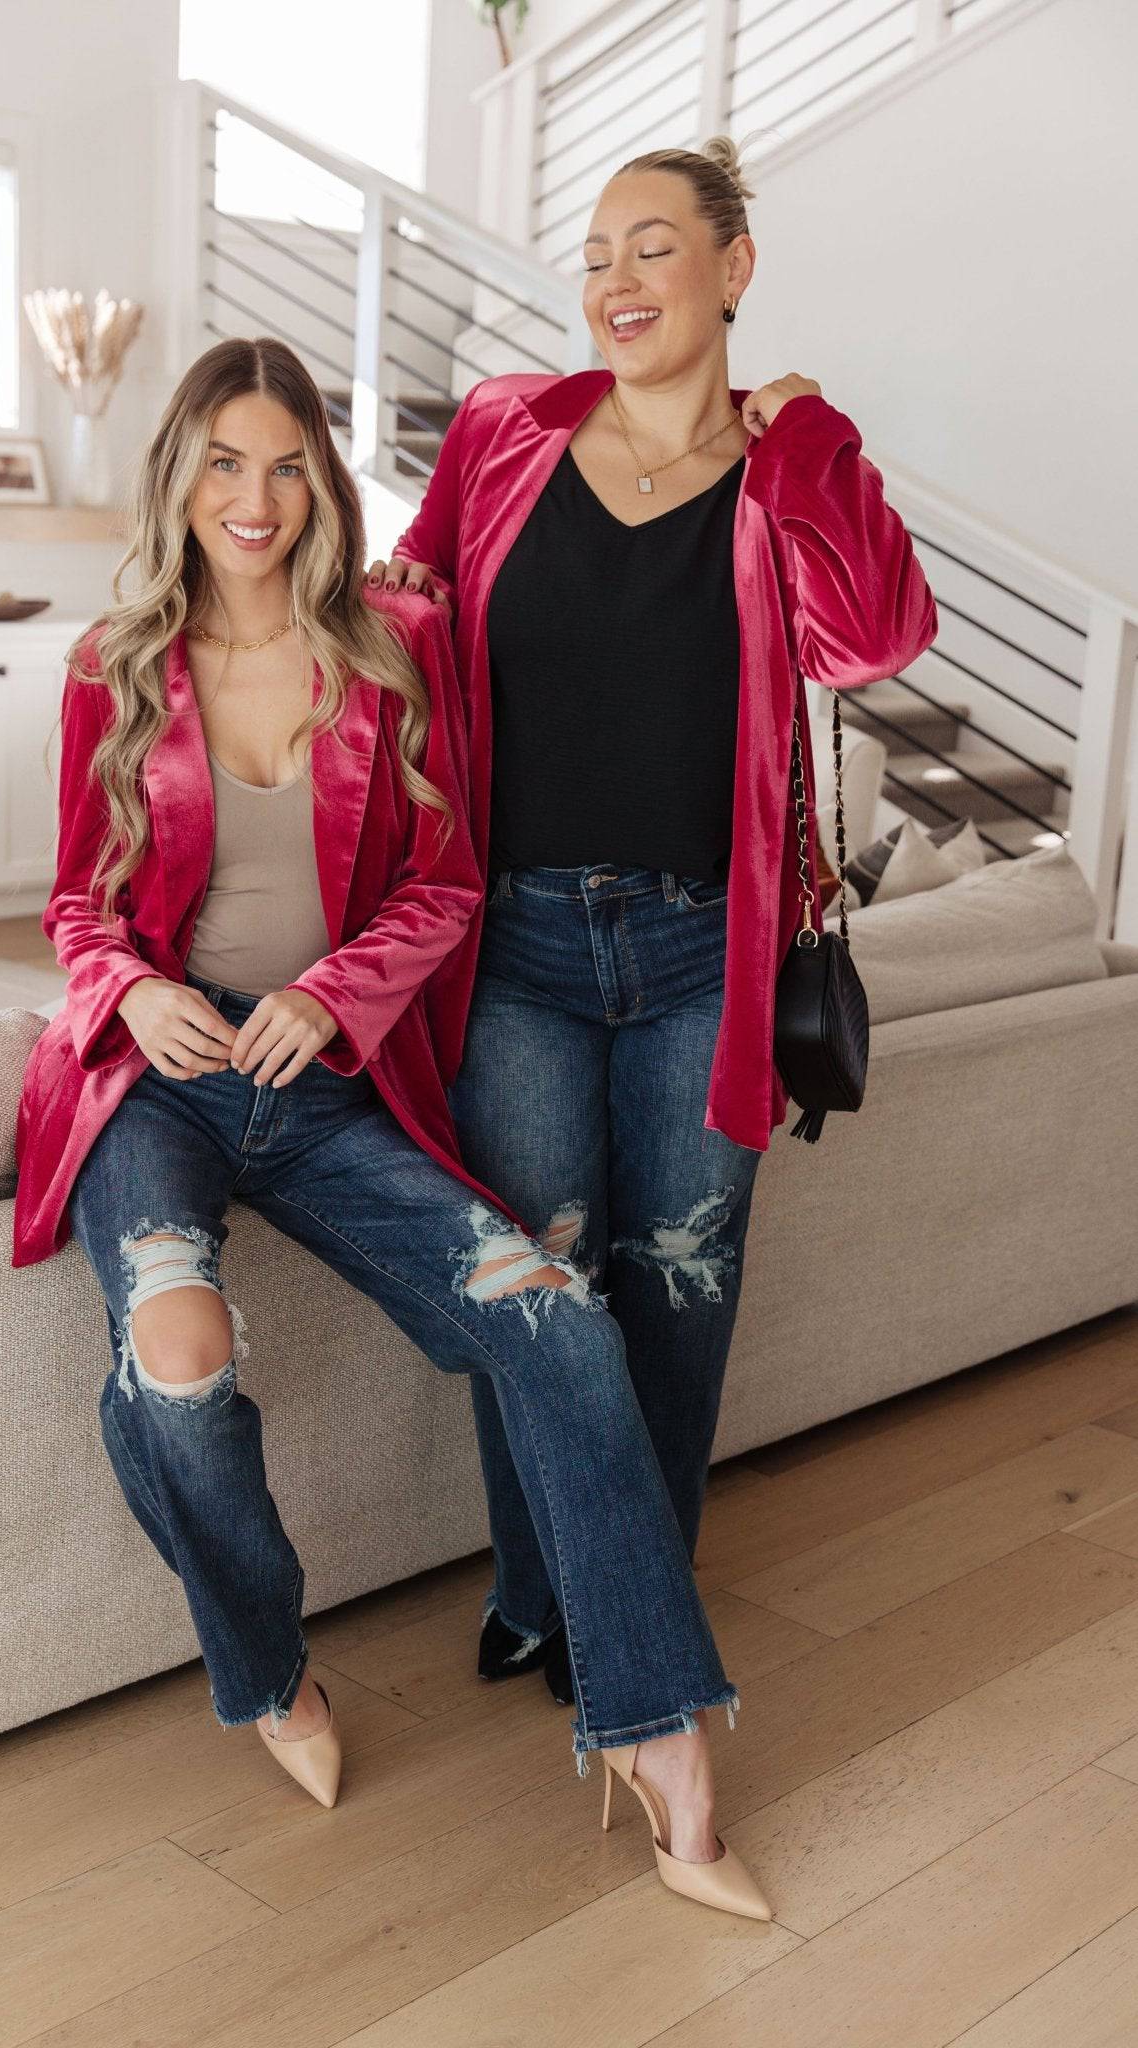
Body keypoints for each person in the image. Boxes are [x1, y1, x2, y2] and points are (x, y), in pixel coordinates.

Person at [10, 334, 774, 1919]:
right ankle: (268, 1665)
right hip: (154, 1083)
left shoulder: (388, 647)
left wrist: (332, 996)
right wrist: (129, 990)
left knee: (558, 1318)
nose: (257, 496)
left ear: (325, 483)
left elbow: (443, 885)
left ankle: (657, 1729)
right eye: (226, 462)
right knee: (177, 1356)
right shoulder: (113, 663)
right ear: (181, 478)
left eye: (289, 464)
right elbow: (78, 901)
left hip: (328, 1086)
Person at [369, 138, 937, 1714]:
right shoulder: (505, 428)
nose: (614, 282)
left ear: (734, 268)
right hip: (517, 949)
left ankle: (634, 1605)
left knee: (679, 1294)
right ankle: (540, 1588)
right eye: (595, 255)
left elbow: (877, 638)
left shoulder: (780, 475)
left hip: (705, 958)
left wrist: (809, 432)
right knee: (538, 1291)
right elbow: (410, 613)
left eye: (653, 248)